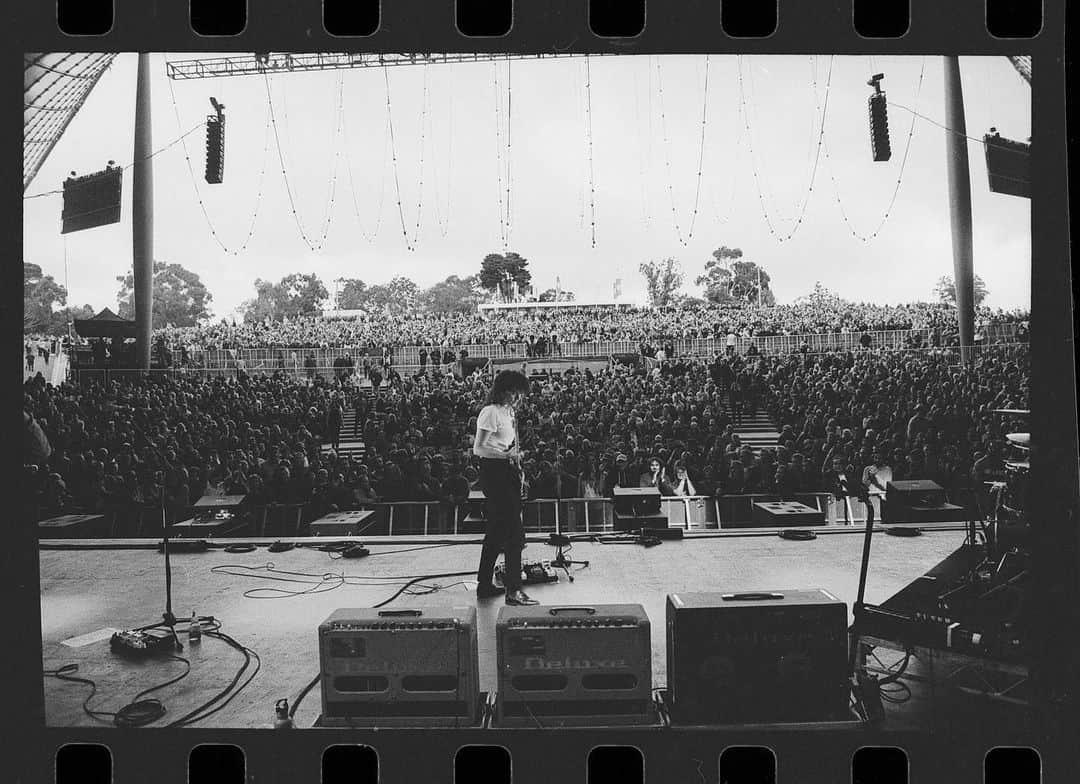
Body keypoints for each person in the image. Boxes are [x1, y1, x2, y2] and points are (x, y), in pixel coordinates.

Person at [472, 370, 536, 606]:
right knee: (515, 534)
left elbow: (507, 447)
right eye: (515, 393)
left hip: (506, 470)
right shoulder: (489, 412)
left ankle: (484, 584)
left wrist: (515, 462)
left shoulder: (508, 412)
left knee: (496, 532)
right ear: (504, 391)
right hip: (494, 472)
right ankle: (513, 589)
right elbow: (478, 449)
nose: (518, 398)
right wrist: (505, 455)